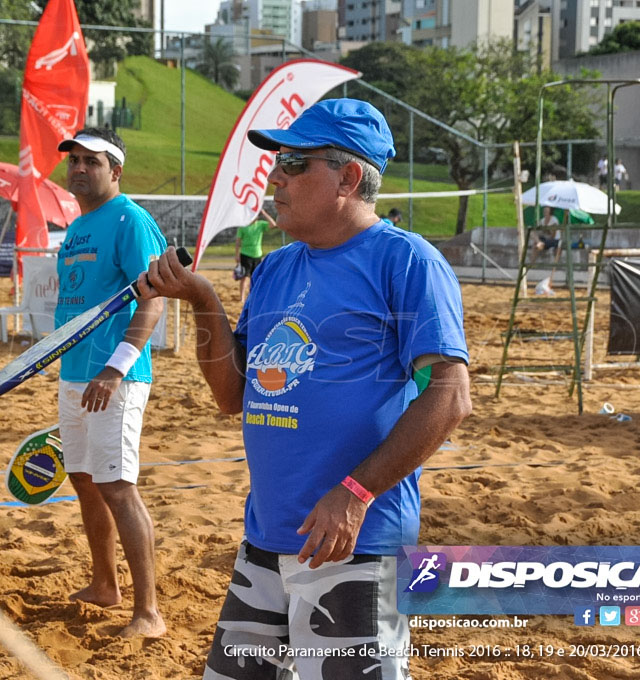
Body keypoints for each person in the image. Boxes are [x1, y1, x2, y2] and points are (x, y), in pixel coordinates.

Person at [137, 99, 472, 679]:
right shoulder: (275, 268)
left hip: (353, 544)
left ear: (348, 176)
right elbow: (230, 395)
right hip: (267, 534)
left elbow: (450, 394)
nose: (275, 175)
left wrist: (355, 493)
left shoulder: (406, 261)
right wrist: (204, 302)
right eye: (276, 161)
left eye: (295, 162)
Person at [53, 127, 168, 638]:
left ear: (115, 171)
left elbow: (154, 298)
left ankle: (149, 613)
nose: (78, 168)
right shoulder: (78, 227)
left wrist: (115, 367)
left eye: (91, 161)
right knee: (85, 480)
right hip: (75, 374)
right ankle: (105, 584)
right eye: (73, 160)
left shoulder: (131, 219)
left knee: (118, 487)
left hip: (114, 378)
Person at [233, 208, 274, 305]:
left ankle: (253, 296)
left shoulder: (260, 225)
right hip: (245, 254)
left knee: (256, 277)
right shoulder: (243, 227)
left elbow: (273, 224)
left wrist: (264, 213)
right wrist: (237, 255)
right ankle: (242, 298)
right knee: (245, 277)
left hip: (257, 255)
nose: (257, 217)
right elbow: (238, 242)